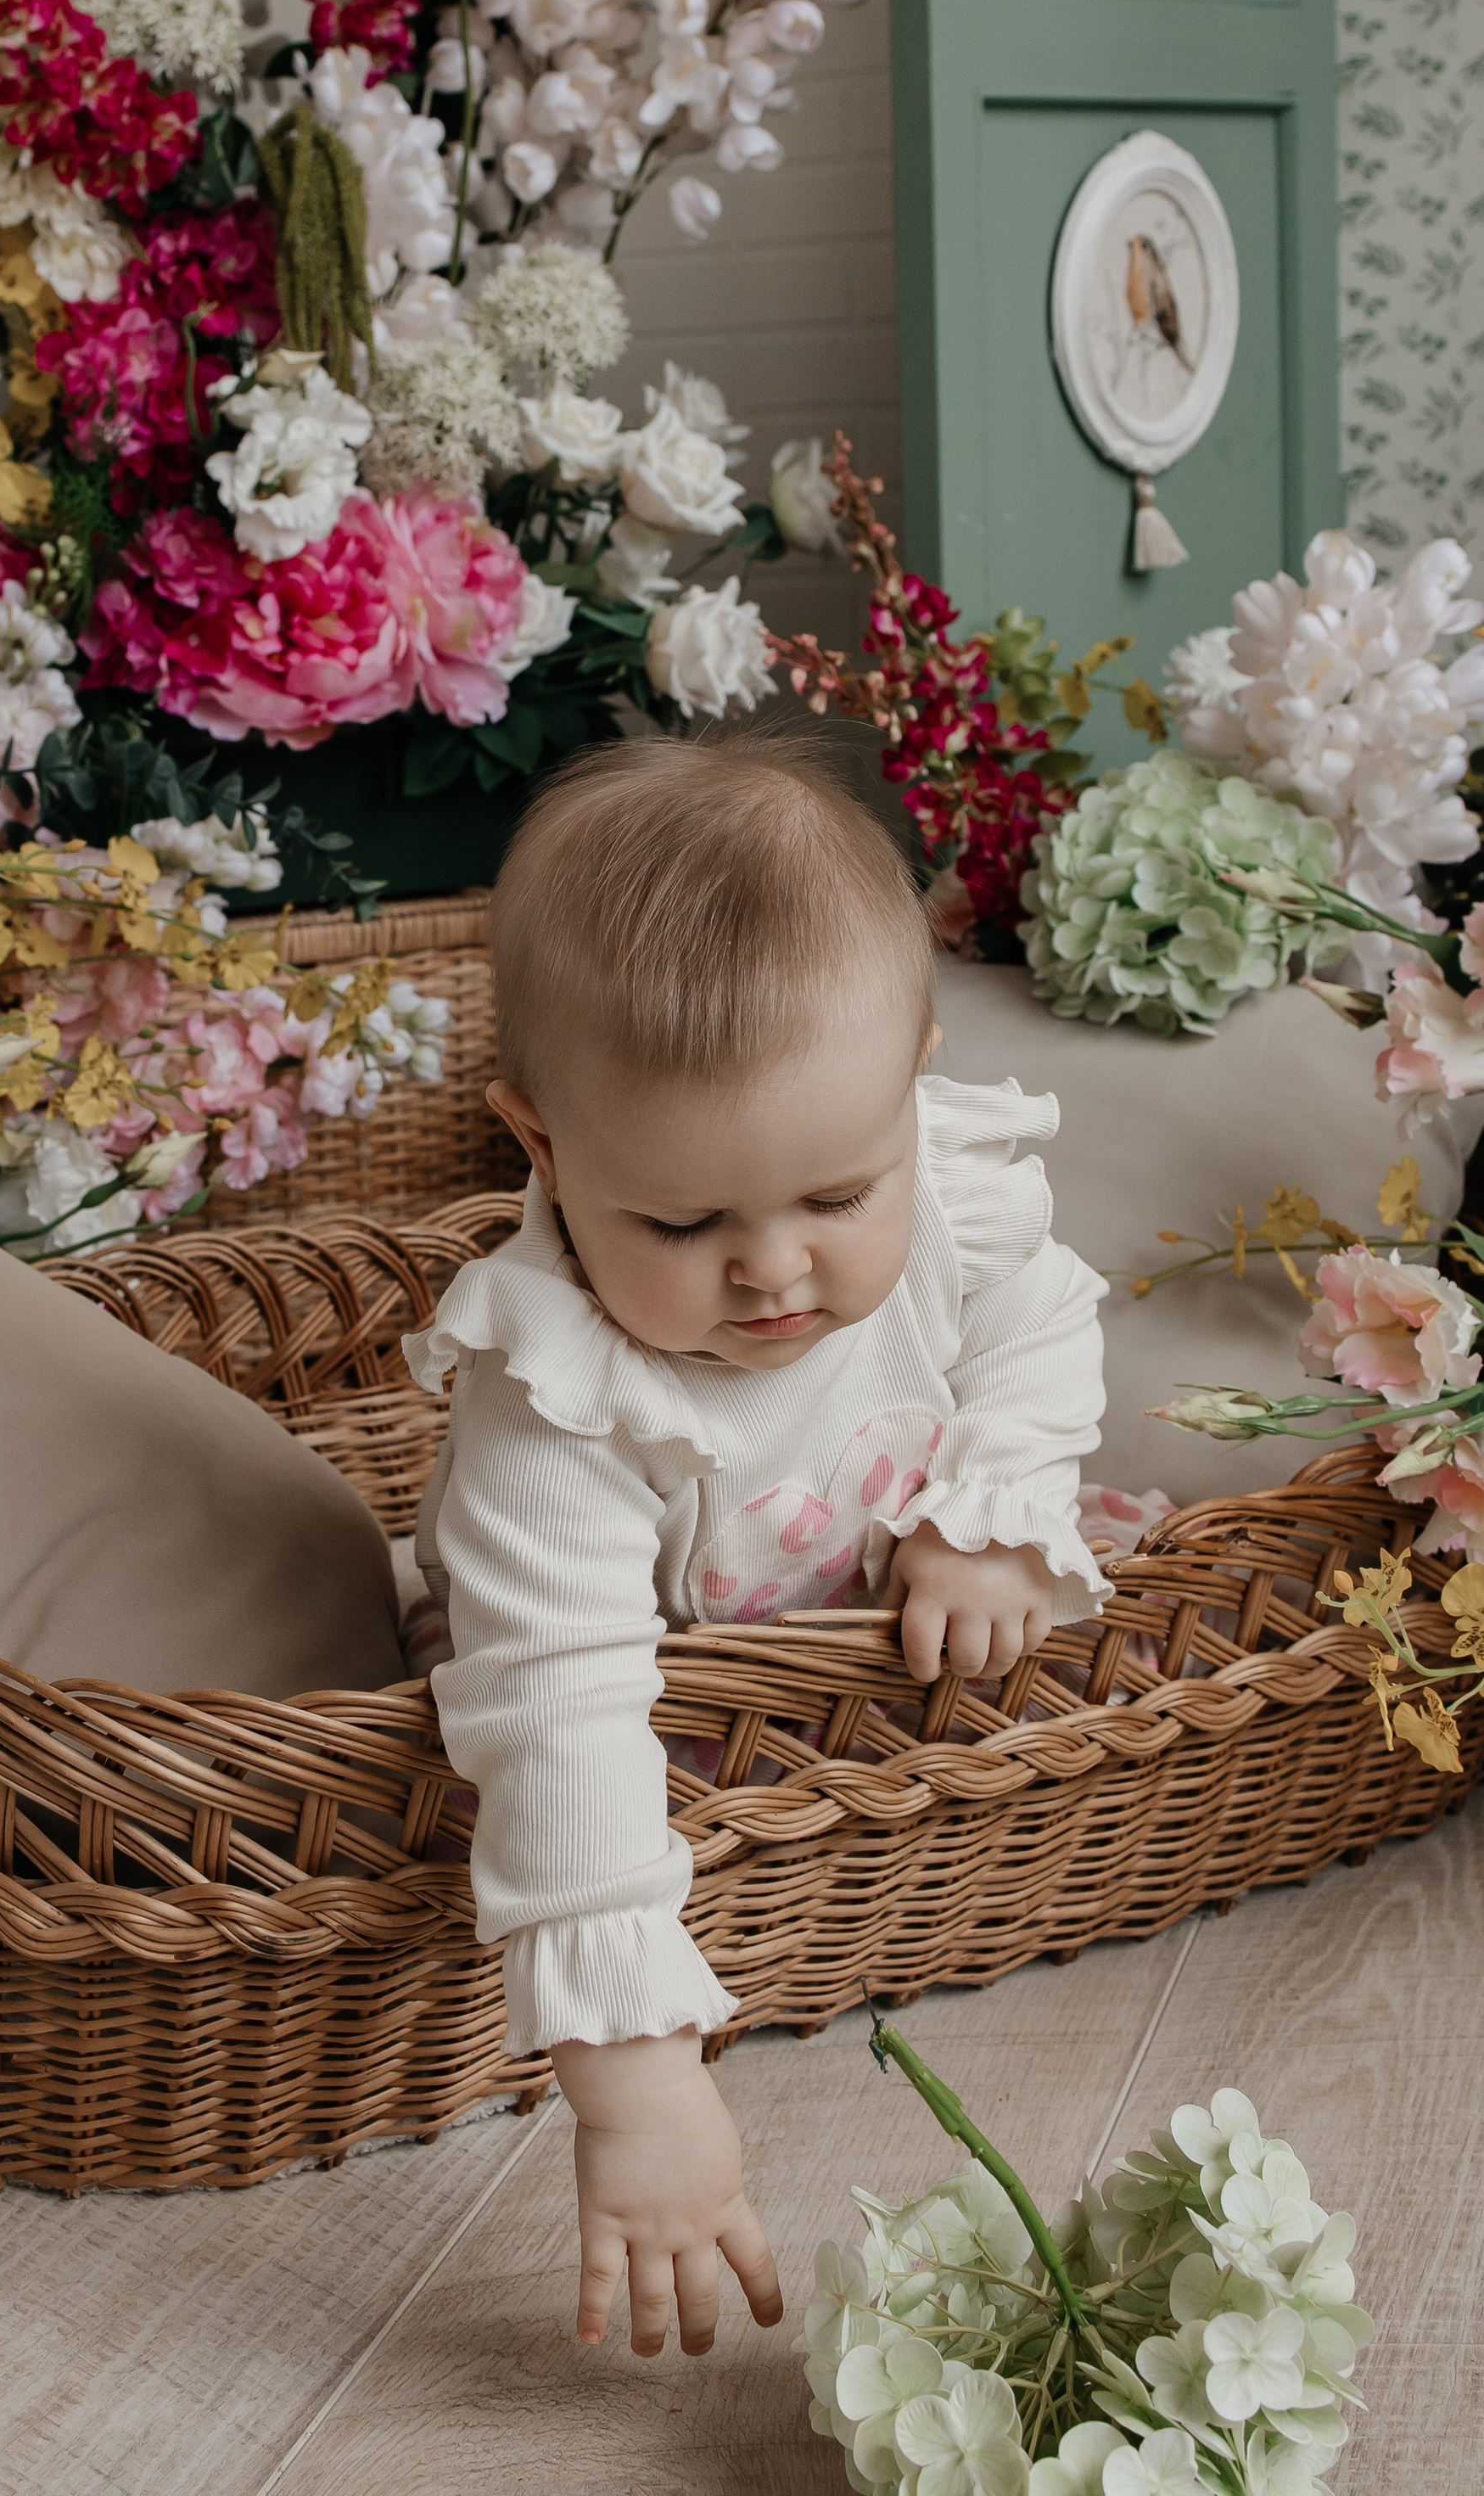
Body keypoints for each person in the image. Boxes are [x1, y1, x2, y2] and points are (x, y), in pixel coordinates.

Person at [404, 729, 1109, 2362]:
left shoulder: (945, 1200)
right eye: (681, 1223)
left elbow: (1042, 1328)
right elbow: (563, 1715)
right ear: (543, 1148)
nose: (776, 1272)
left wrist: (991, 1515)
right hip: (624, 1689)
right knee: (481, 1752)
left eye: (838, 1197)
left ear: (915, 1081)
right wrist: (638, 2088)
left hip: (856, 1646)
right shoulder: (560, 1405)